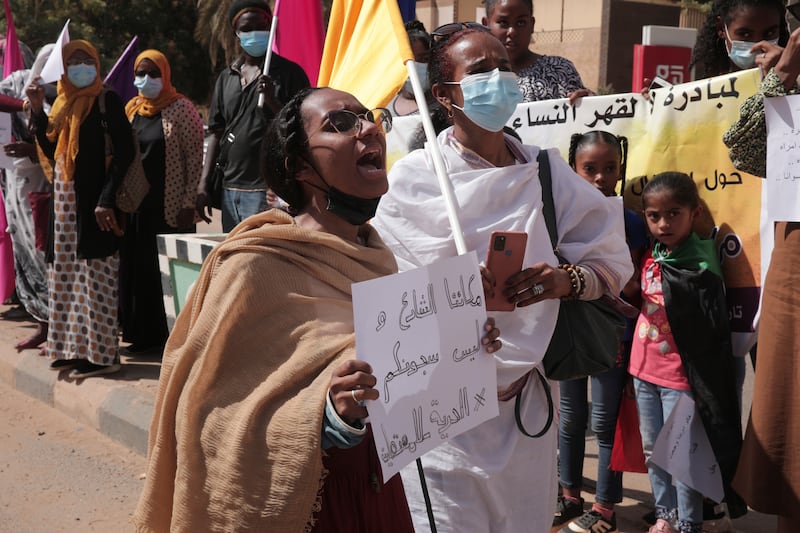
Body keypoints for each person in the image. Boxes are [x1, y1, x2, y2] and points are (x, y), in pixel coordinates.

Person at [133, 85, 503, 531]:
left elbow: (399, 379)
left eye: (369, 117)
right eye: (340, 123)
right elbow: (208, 419)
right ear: (300, 167)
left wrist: (459, 347)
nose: (369, 128)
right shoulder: (254, 266)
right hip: (308, 508)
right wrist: (326, 415)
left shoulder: (377, 257)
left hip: (379, 494)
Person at [371, 26, 632, 533]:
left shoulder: (546, 172)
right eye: (481, 71)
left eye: (503, 67)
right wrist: (454, 301)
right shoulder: (414, 180)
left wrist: (565, 280)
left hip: (527, 408)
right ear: (445, 96)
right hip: (442, 414)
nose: (499, 78)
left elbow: (611, 257)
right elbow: (385, 288)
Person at [631, 172, 745, 533]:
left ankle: (688, 524)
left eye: (673, 213)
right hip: (643, 370)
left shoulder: (701, 261)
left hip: (680, 379)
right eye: (653, 215)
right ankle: (664, 515)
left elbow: (706, 328)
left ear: (694, 213)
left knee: (682, 455)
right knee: (653, 451)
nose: (663, 223)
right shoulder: (652, 254)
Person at [722, 20, 800, 533]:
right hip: (796, 263)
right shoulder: (789, 90)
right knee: (791, 404)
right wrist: (784, 77)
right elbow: (742, 149)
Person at [552, 131, 648, 533]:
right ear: (573, 169)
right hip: (571, 332)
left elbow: (632, 286)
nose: (600, 178)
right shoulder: (560, 216)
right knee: (571, 418)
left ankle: (605, 505)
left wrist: (604, 273)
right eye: (589, 169)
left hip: (613, 336)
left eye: (610, 168)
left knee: (605, 423)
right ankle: (569, 493)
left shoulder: (629, 222)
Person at [27, 40, 135, 379]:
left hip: (94, 205)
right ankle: (71, 348)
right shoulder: (61, 102)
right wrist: (35, 108)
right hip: (65, 207)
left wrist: (106, 199)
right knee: (66, 277)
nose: (81, 66)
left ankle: (103, 354)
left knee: (96, 277)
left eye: (88, 60)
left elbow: (124, 154)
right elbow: (48, 145)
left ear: (98, 65)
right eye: (73, 61)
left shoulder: (107, 101)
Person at [196, 0, 310, 231]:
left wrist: (272, 101)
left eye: (261, 26)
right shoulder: (226, 77)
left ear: (271, 28)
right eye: (247, 29)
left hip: (268, 190)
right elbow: (216, 134)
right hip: (230, 187)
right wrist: (203, 185)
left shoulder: (290, 73)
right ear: (236, 33)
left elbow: (302, 127)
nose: (254, 33)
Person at [119, 49, 204, 355]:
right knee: (139, 272)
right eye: (140, 74)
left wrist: (189, 202)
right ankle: (141, 335)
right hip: (136, 206)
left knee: (166, 272)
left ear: (165, 75)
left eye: (153, 74)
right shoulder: (132, 109)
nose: (146, 80)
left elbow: (196, 157)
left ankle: (171, 339)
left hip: (170, 206)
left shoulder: (182, 108)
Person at [1, 44, 55, 352]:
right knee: (23, 252)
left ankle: (57, 328)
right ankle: (40, 324)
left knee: (45, 257)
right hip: (16, 186)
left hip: (46, 187)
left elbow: (63, 143)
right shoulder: (20, 81)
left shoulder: (63, 94)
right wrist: (25, 104)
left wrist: (32, 151)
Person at [482, 0, 592, 103]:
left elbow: (583, 117)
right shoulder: (476, 79)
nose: (512, 32)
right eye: (503, 22)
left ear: (532, 24)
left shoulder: (559, 71)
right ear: (485, 25)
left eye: (521, 23)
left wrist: (591, 103)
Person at [691, 0, 787, 80]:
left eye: (769, 34)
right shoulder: (702, 89)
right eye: (745, 34)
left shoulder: (793, 81)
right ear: (721, 29)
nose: (758, 45)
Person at [389, 20, 434, 117]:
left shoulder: (444, 109)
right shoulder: (386, 108)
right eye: (409, 61)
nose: (415, 66)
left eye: (424, 58)